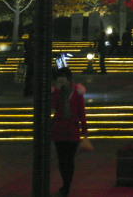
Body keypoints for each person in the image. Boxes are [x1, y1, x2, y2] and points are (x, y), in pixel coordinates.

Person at [51, 68, 87, 196]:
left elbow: (81, 111)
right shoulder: (56, 91)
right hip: (59, 130)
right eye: (59, 77)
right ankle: (65, 185)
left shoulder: (77, 92)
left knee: (69, 159)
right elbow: (54, 105)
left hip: (72, 130)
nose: (61, 79)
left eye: (64, 76)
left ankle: (66, 186)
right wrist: (57, 91)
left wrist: (84, 129)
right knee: (61, 159)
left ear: (69, 78)